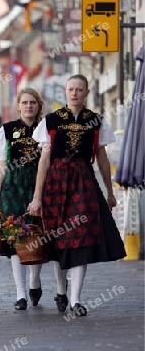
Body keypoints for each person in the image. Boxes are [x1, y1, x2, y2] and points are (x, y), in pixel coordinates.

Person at [28, 74, 126, 317]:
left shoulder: (96, 121)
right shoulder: (50, 121)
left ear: (86, 92)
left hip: (83, 182)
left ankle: (76, 300)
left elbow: (102, 159)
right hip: (56, 184)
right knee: (58, 239)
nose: (74, 93)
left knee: (80, 238)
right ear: (65, 91)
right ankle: (62, 288)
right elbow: (44, 161)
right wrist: (37, 197)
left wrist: (110, 191)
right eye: (71, 89)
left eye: (79, 89)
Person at [0, 88, 44, 310]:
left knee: (36, 234)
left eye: (33, 102)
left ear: (38, 105)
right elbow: (1, 165)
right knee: (14, 237)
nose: (29, 106)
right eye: (24, 103)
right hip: (12, 186)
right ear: (18, 106)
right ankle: (20, 293)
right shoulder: (7, 131)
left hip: (37, 185)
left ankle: (34, 280)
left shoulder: (45, 129)